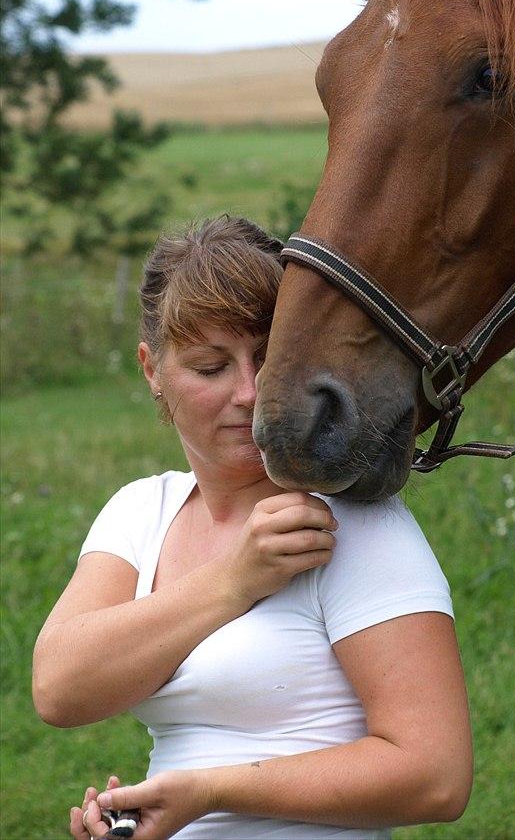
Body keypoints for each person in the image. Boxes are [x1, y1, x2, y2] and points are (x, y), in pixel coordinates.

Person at [32, 215, 473, 840]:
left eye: (267, 358)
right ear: (152, 370)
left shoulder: (347, 522)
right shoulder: (141, 511)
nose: (248, 392)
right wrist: (233, 582)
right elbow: (60, 689)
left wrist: (211, 789)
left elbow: (436, 775)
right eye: (211, 367)